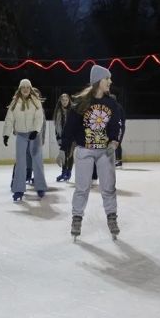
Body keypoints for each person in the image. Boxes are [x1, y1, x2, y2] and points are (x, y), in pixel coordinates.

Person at [57, 65, 121, 241]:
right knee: (82, 188)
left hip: (105, 152)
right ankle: (77, 218)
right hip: (84, 151)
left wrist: (114, 142)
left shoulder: (111, 103)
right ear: (99, 81)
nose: (110, 81)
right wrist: (63, 150)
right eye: (107, 78)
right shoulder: (80, 103)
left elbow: (117, 125)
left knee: (108, 187)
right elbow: (69, 129)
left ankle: (112, 217)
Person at [3, 79, 47, 201]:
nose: (26, 89)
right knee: (20, 162)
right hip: (21, 135)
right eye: (23, 87)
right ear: (20, 89)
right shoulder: (14, 102)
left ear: (30, 89)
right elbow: (9, 119)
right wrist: (6, 134)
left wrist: (36, 131)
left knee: (37, 161)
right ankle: (18, 190)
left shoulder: (36, 101)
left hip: (34, 135)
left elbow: (39, 118)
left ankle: (40, 187)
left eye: (28, 87)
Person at [53, 93, 74, 182]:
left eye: (66, 100)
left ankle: (68, 172)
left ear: (69, 101)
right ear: (60, 101)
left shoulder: (72, 110)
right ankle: (63, 172)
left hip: (71, 136)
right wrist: (58, 137)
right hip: (62, 136)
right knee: (63, 154)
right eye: (63, 100)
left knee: (70, 154)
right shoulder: (58, 111)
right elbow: (56, 126)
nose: (64, 102)